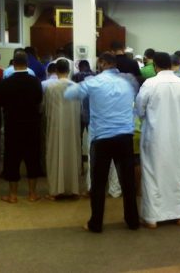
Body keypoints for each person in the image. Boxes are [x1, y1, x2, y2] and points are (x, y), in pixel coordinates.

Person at [64, 52, 139, 233]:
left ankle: (95, 223)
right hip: (125, 137)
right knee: (128, 182)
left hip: (102, 139)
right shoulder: (127, 83)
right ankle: (133, 221)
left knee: (98, 184)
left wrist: (81, 82)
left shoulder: (93, 82)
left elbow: (69, 94)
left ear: (103, 64)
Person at [136, 52, 180, 228]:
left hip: (155, 136)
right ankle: (178, 215)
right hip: (177, 136)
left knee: (153, 174)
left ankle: (152, 218)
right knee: (177, 173)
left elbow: (139, 109)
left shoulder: (150, 84)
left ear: (155, 66)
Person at [0, 51, 43, 203]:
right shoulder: (35, 81)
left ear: (13, 64)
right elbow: (39, 100)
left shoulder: (6, 82)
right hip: (32, 125)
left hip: (13, 125)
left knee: (12, 159)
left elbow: (2, 102)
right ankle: (32, 193)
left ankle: (13, 195)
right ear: (27, 63)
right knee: (32, 158)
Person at [42, 59, 82, 199]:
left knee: (55, 154)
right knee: (72, 153)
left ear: (56, 70)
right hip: (72, 126)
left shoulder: (51, 88)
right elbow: (80, 109)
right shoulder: (76, 87)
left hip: (55, 126)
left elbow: (45, 108)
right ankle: (73, 189)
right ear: (69, 70)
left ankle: (55, 191)